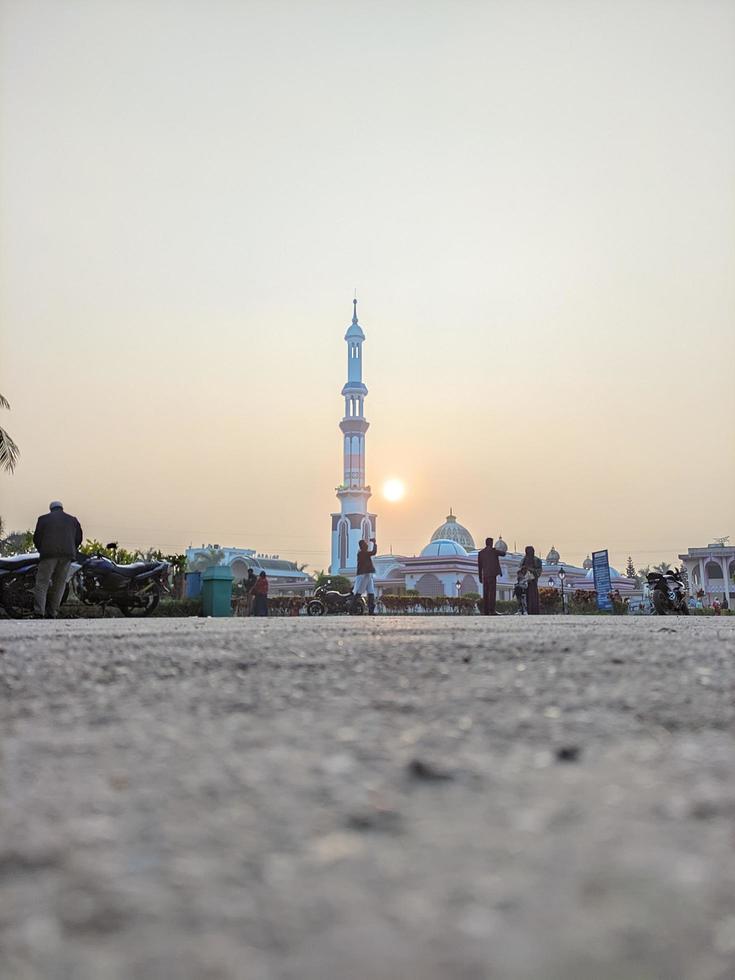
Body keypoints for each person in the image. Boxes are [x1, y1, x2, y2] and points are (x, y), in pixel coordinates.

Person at [32, 501, 83, 619]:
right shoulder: (72, 520)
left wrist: (42, 550)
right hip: (67, 556)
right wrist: (71, 548)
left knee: (42, 584)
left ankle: (39, 612)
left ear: (51, 509)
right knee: (59, 585)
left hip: (48, 555)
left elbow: (37, 538)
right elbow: (79, 538)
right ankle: (53, 612)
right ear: (61, 508)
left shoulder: (43, 519)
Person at [477, 536, 502, 615]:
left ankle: (486, 611)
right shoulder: (494, 551)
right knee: (492, 593)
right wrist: (497, 549)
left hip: (485, 576)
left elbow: (480, 566)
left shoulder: (481, 553)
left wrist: (480, 577)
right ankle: (492, 610)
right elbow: (503, 553)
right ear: (491, 543)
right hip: (492, 575)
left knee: (486, 593)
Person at [355, 537, 377, 615]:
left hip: (368, 574)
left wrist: (374, 543)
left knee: (371, 592)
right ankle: (353, 609)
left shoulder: (363, 553)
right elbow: (374, 552)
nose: (367, 545)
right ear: (362, 546)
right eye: (365, 544)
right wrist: (374, 543)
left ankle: (371, 611)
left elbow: (372, 552)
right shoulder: (362, 553)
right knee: (358, 592)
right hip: (363, 575)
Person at [519, 545, 542, 615]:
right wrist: (523, 571)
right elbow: (520, 569)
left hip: (533, 581)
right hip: (525, 581)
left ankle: (534, 610)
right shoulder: (523, 559)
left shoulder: (536, 560)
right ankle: (527, 609)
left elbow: (538, 571)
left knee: (533, 596)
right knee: (526, 596)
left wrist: (530, 570)